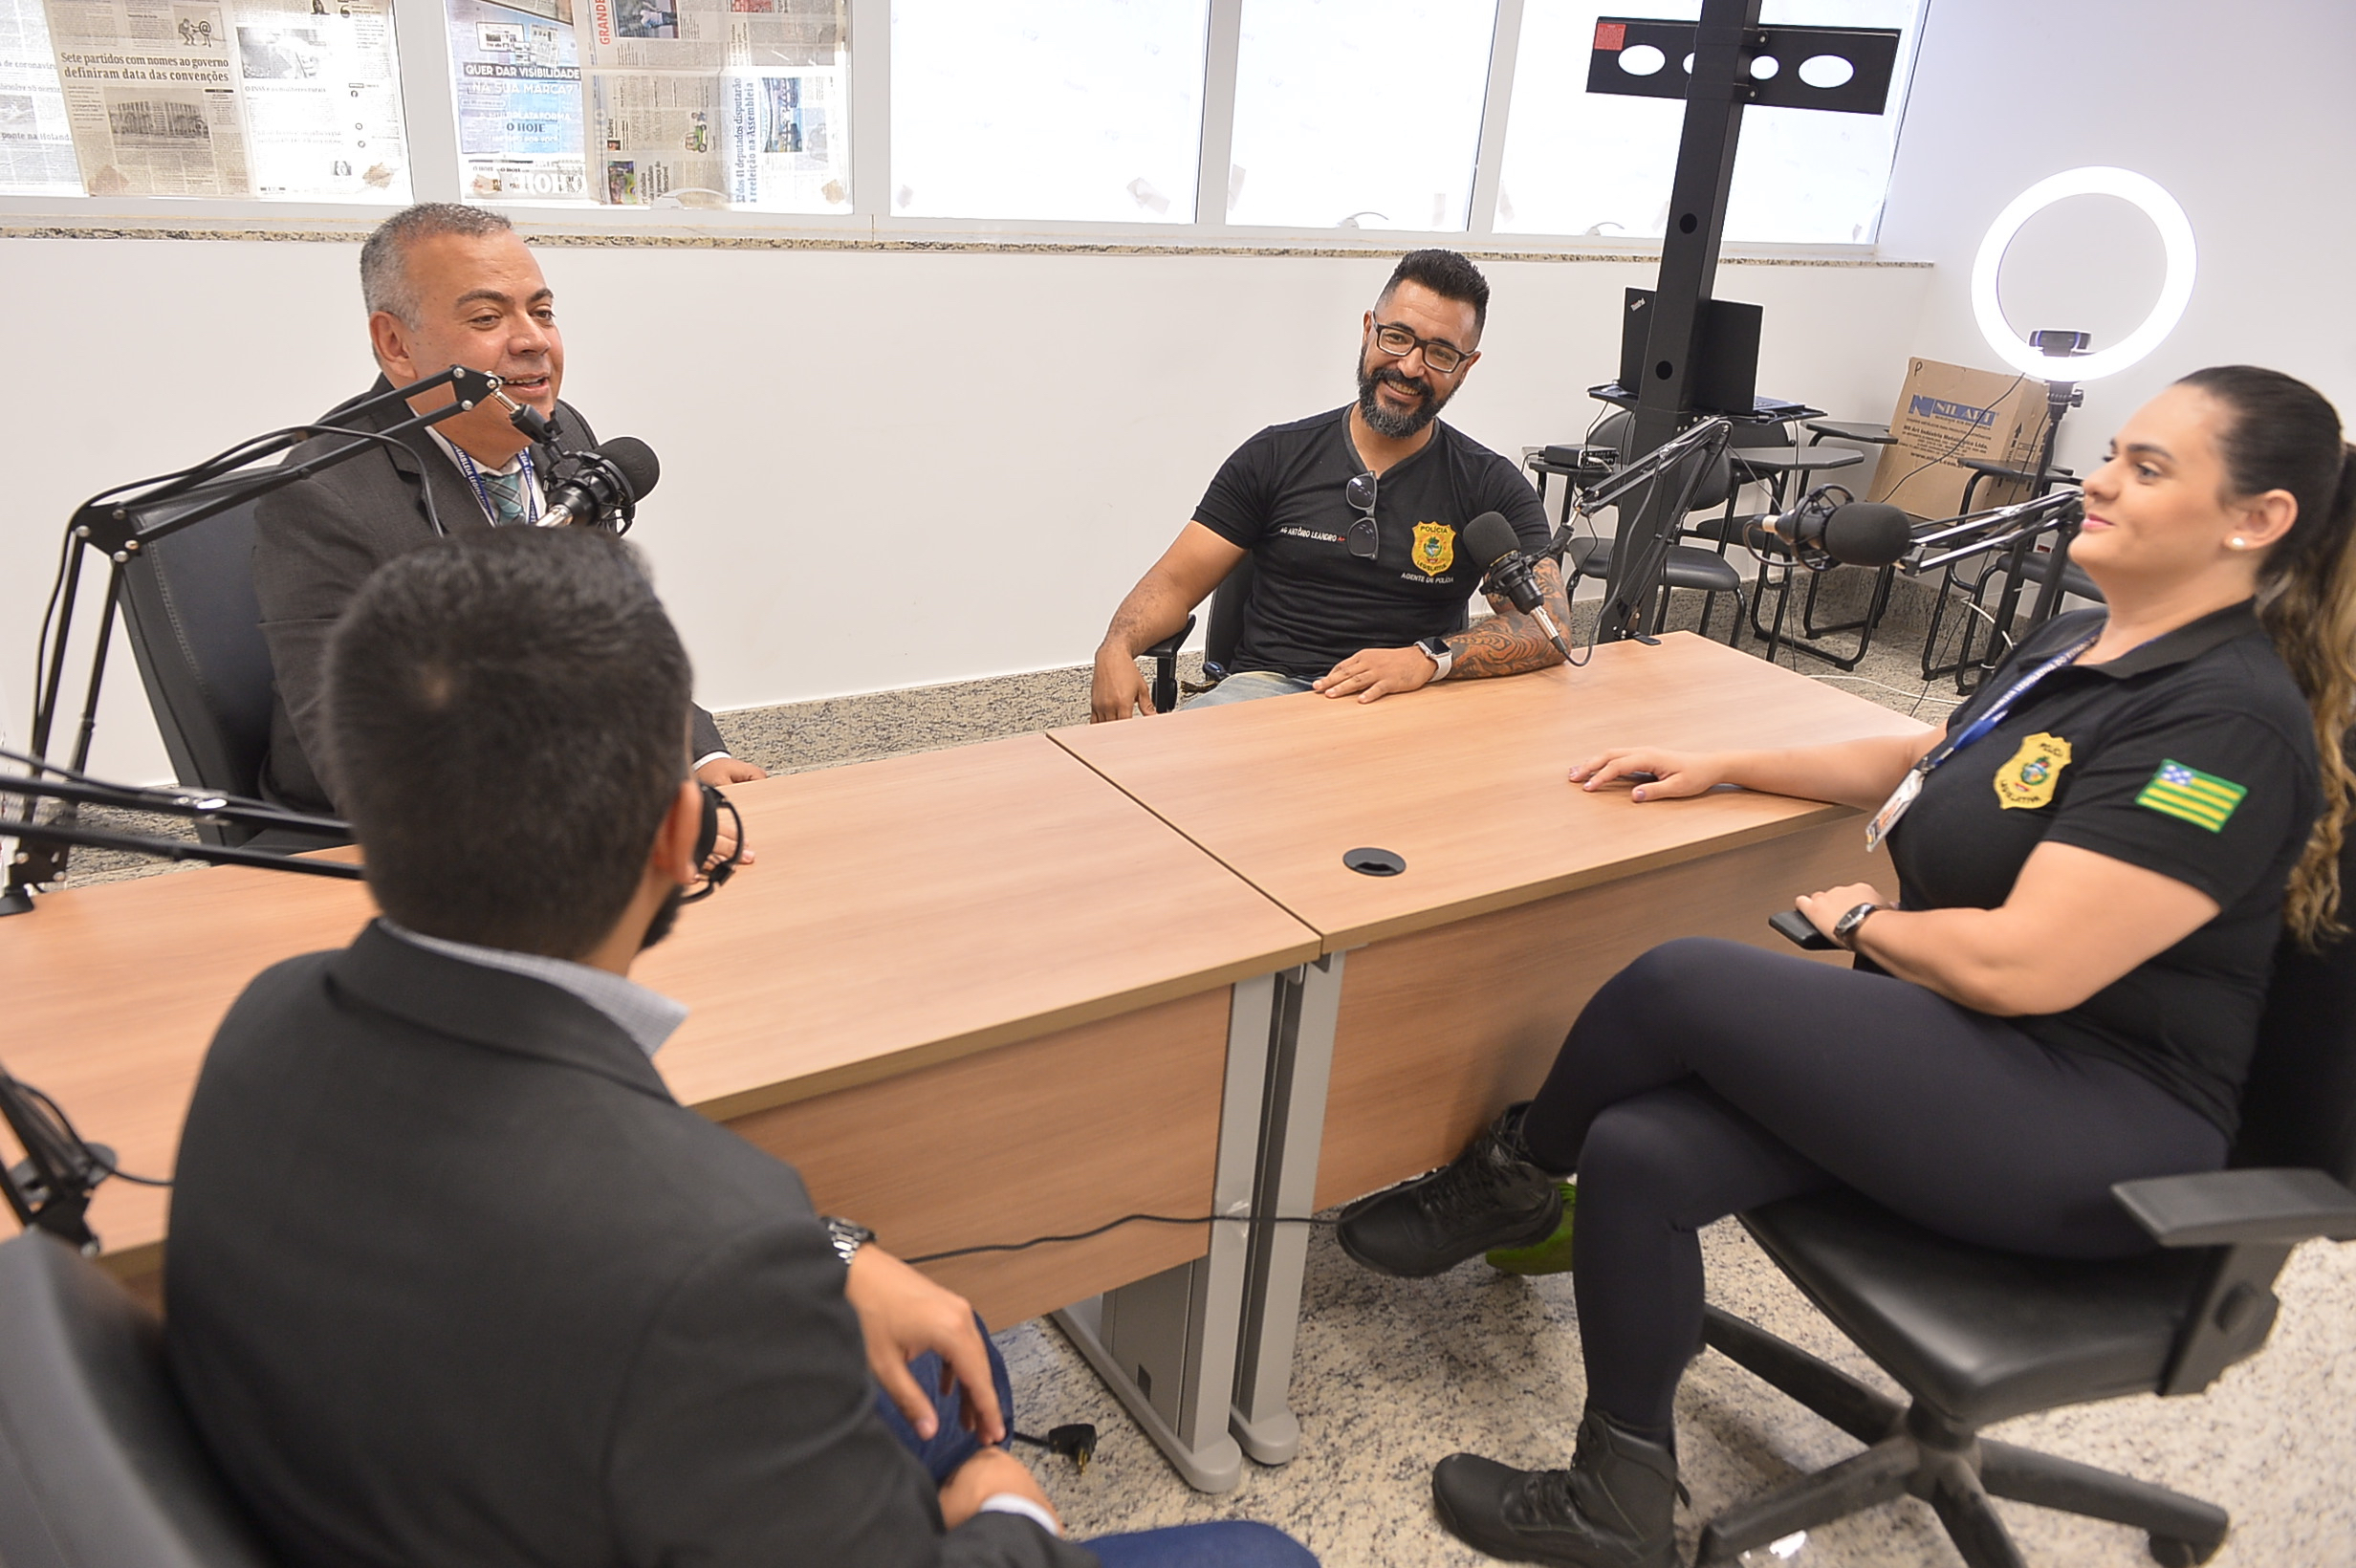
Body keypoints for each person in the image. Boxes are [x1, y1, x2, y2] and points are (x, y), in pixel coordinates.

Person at [1333, 365, 2356, 1568]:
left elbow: (2023, 966)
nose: (2099, 479)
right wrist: (1723, 761)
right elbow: (1932, 757)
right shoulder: (2087, 640)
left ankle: (1509, 1175)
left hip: (2098, 1128)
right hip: (1972, 1054)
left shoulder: (2222, 724)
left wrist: (1864, 922)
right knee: (1642, 1147)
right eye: (2112, 453)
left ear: (2256, 518)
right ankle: (1617, 1489)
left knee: (1678, 983)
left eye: (2147, 466)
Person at [165, 529, 1317, 1568]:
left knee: (955, 1359)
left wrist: (828, 1252)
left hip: (453, 1472)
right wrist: (1004, 1508)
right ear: (680, 831)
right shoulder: (706, 1258)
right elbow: (665, 1249)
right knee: (1263, 1553)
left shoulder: (268, 1015)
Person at [251, 201, 767, 815]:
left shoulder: (562, 434)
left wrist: (698, 758)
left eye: (542, 312)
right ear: (395, 344)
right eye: (488, 318)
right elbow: (366, 765)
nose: (532, 341)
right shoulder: (323, 495)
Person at [1089, 250, 1568, 721]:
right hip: (1266, 694)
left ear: (1465, 367)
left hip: (1408, 702)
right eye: (1397, 337)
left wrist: (1427, 659)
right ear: (1368, 330)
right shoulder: (1273, 456)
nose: (1409, 367)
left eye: (1440, 354)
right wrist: (1117, 646)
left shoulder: (1490, 485)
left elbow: (1549, 628)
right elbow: (1173, 584)